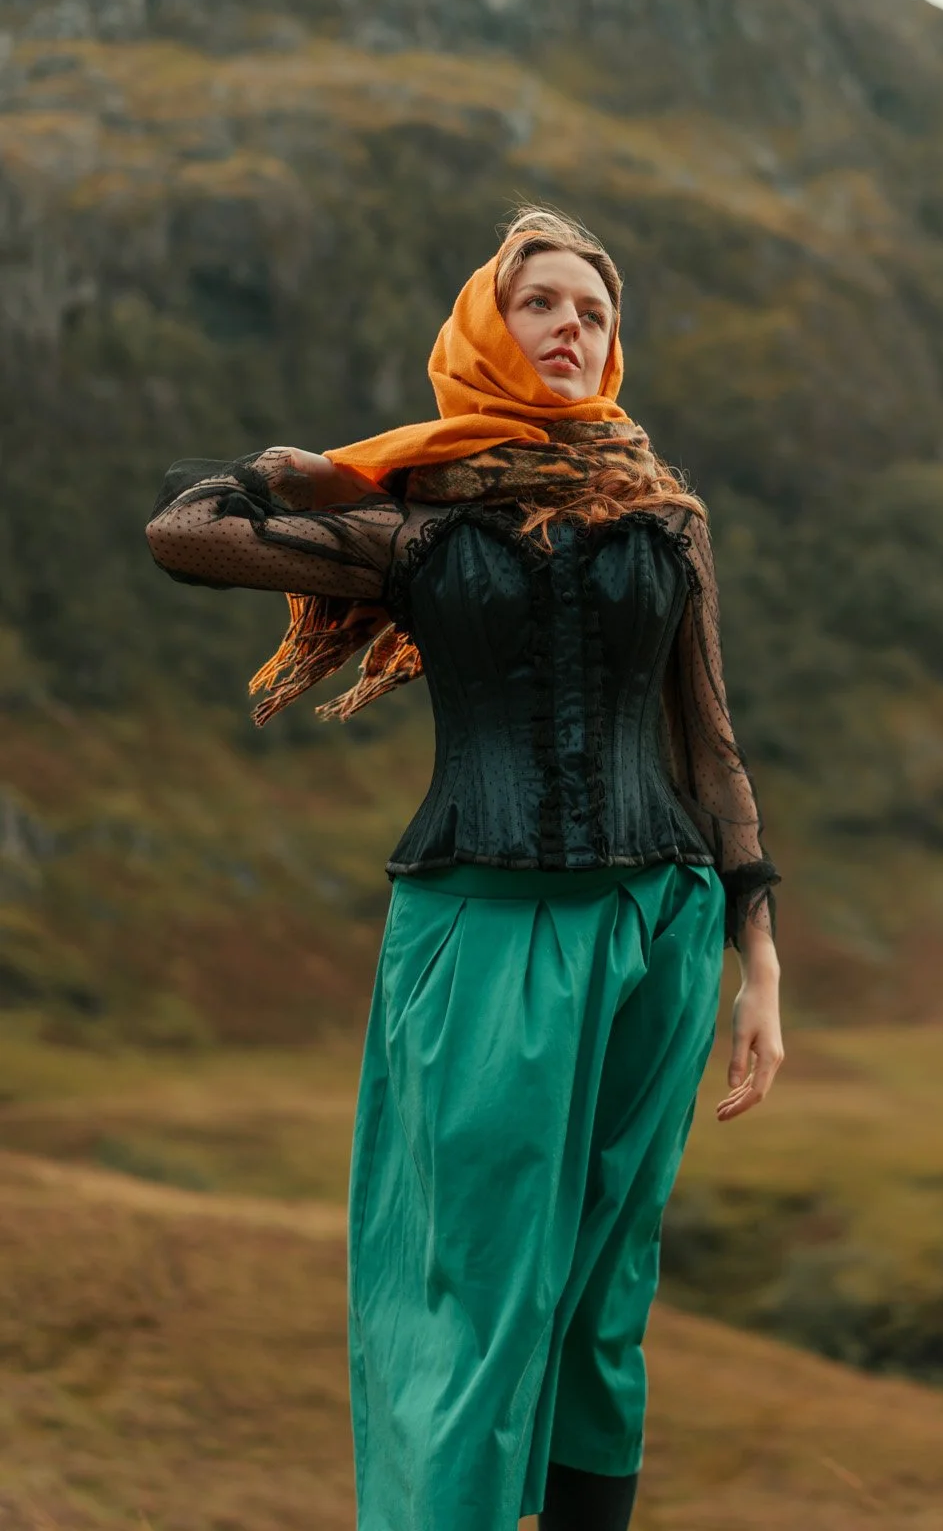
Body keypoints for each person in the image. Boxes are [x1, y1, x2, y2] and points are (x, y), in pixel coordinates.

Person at [144, 206, 783, 1531]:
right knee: (472, 1292)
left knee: (609, 1291)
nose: (570, 328)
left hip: (658, 928)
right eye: (542, 304)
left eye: (594, 313)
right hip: (480, 925)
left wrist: (755, 960)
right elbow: (183, 534)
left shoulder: (665, 517)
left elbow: (711, 753)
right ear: (492, 328)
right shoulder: (416, 527)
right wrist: (307, 478)